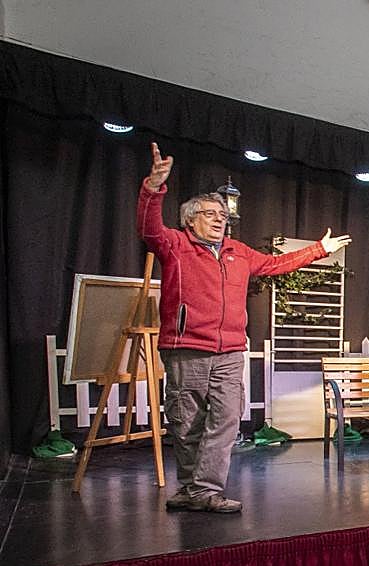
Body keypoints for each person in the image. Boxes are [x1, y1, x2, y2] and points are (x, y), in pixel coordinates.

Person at [138, 142, 351, 513]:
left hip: (230, 351)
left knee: (224, 421)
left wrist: (319, 249)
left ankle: (204, 490)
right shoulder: (175, 245)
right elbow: (148, 228)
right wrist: (153, 188)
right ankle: (192, 490)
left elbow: (274, 264)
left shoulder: (239, 252)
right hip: (187, 349)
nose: (220, 219)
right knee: (186, 424)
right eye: (210, 214)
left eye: (222, 214)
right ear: (190, 220)